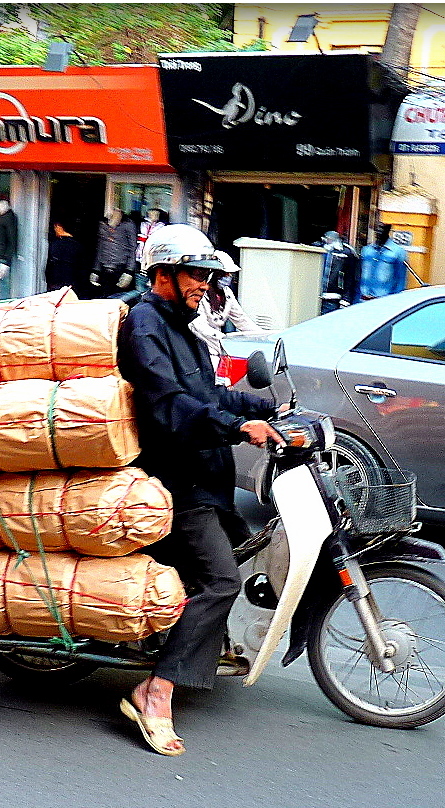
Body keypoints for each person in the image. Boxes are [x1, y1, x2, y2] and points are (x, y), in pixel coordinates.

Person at [115, 224, 283, 756]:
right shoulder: (145, 326)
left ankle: (186, 641)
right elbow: (171, 409)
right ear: (162, 274)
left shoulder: (183, 327)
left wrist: (266, 407)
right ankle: (155, 690)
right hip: (175, 482)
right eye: (196, 274)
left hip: (206, 476)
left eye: (209, 276)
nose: (204, 286)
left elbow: (207, 393)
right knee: (221, 581)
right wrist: (238, 429)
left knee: (234, 553)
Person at [191, 250, 262, 375]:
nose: (227, 277)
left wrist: (262, 336)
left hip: (220, 349)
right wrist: (226, 340)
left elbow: (241, 320)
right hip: (201, 349)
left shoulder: (227, 293)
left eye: (229, 274)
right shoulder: (199, 294)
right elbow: (200, 327)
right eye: (224, 274)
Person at [91, 209, 137, 296]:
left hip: (120, 268)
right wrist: (96, 270)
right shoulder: (103, 225)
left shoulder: (128, 225)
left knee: (121, 298)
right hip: (105, 269)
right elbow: (100, 248)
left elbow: (133, 248)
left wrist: (129, 271)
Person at [359, 223, 407, 301]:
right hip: (363, 299)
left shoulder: (397, 252)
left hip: (383, 301)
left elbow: (400, 280)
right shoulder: (366, 250)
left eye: (382, 230)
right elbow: (358, 275)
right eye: (377, 230)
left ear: (388, 231)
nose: (379, 232)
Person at [316, 230, 360, 313]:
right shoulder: (318, 248)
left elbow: (350, 277)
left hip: (334, 298)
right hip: (316, 297)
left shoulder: (347, 253)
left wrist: (346, 298)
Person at [0, 199, 19, 300]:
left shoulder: (8, 218)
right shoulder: (0, 216)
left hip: (1, 259)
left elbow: (12, 240)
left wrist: (6, 262)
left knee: (2, 292)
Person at [44, 219, 81, 292]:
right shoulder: (78, 246)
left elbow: (49, 267)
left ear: (59, 227)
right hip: (72, 285)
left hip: (56, 283)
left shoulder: (55, 245)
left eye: (55, 227)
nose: (55, 230)